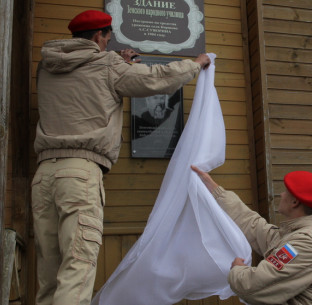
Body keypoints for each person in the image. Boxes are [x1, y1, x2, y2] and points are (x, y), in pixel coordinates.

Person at [31, 9, 210, 305]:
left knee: (49, 272)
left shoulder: (47, 65)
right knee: (77, 266)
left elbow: (85, 83)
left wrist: (117, 63)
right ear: (100, 36)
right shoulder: (108, 64)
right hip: (80, 173)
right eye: (107, 38)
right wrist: (195, 64)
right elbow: (156, 78)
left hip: (44, 175)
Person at [191, 166, 312, 304]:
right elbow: (253, 225)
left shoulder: (304, 243)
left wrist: (237, 269)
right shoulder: (295, 235)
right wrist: (214, 190)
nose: (282, 194)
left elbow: (253, 286)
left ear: (294, 202)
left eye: (286, 192)